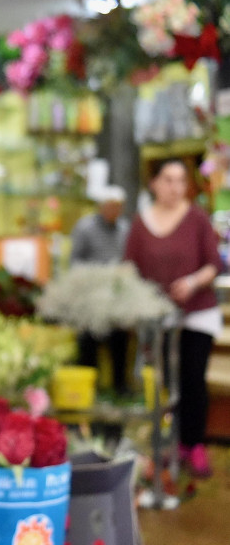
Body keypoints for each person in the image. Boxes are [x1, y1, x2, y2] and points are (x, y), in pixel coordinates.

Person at [124, 158, 222, 477]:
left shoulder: (197, 219)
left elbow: (214, 263)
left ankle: (194, 445)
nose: (174, 187)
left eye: (181, 180)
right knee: (165, 382)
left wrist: (192, 282)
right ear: (154, 183)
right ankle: (169, 442)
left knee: (193, 379)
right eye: (168, 179)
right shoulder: (142, 223)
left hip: (197, 313)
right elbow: (130, 269)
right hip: (159, 319)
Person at [70, 186, 131, 394]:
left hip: (116, 296)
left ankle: (120, 386)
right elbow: (75, 262)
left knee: (120, 339)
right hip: (91, 296)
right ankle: (88, 387)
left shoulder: (124, 229)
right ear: (101, 207)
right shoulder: (85, 228)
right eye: (110, 206)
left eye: (118, 207)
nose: (114, 211)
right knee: (89, 342)